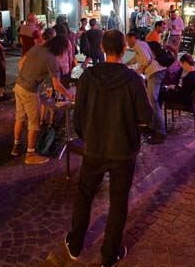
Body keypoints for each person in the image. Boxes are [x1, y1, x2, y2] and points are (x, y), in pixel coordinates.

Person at [65, 30, 153, 267]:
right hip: (123, 150)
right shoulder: (133, 79)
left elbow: (78, 117)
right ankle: (109, 254)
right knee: (118, 201)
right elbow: (146, 116)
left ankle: (75, 243)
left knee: (84, 195)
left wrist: (89, 136)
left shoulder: (87, 77)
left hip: (94, 148)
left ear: (103, 48)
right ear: (124, 50)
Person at [11, 35, 73, 164]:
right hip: (29, 90)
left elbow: (21, 63)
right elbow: (57, 85)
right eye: (66, 50)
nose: (66, 53)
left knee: (20, 118)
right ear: (60, 48)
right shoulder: (52, 60)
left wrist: (30, 74)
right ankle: (30, 154)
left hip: (18, 86)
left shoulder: (37, 47)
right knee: (34, 124)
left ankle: (15, 147)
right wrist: (71, 96)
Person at [125, 30, 166, 143]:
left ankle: (160, 132)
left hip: (155, 73)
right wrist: (125, 64)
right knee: (150, 101)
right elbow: (137, 59)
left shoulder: (138, 45)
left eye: (127, 39)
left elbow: (147, 60)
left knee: (153, 102)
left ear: (133, 38)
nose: (127, 42)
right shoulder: (140, 45)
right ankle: (152, 126)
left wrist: (139, 71)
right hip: (156, 72)